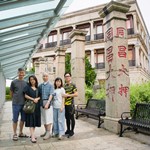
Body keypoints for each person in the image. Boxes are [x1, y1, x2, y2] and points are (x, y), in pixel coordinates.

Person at [10, 68, 28, 141]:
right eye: (20, 73)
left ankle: (20, 132)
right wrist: (14, 99)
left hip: (24, 104)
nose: (21, 74)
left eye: (22, 73)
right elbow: (11, 92)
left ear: (24, 74)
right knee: (15, 119)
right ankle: (14, 134)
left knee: (23, 119)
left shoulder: (26, 83)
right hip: (16, 104)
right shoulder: (13, 82)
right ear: (18, 73)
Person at [23, 75, 41, 143]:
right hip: (30, 107)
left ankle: (32, 134)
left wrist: (37, 99)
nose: (32, 81)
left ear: (35, 80)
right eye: (31, 79)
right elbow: (25, 95)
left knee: (35, 121)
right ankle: (33, 136)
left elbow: (40, 96)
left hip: (36, 107)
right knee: (31, 120)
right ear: (29, 81)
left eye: (33, 79)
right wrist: (33, 99)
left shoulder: (38, 88)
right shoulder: (27, 87)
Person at [39, 72, 54, 140]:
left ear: (48, 77)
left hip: (48, 102)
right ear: (42, 77)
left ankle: (48, 133)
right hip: (41, 102)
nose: (45, 77)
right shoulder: (40, 85)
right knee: (44, 118)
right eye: (44, 76)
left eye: (46, 76)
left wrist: (48, 103)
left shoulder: (51, 85)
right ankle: (46, 131)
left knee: (48, 118)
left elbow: (51, 94)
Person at [64, 72, 78, 137]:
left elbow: (76, 94)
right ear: (64, 78)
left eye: (68, 76)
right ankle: (68, 129)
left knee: (71, 118)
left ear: (70, 77)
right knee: (67, 118)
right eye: (66, 76)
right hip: (64, 104)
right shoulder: (64, 85)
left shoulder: (73, 85)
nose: (67, 77)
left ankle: (72, 131)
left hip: (70, 104)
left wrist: (68, 95)